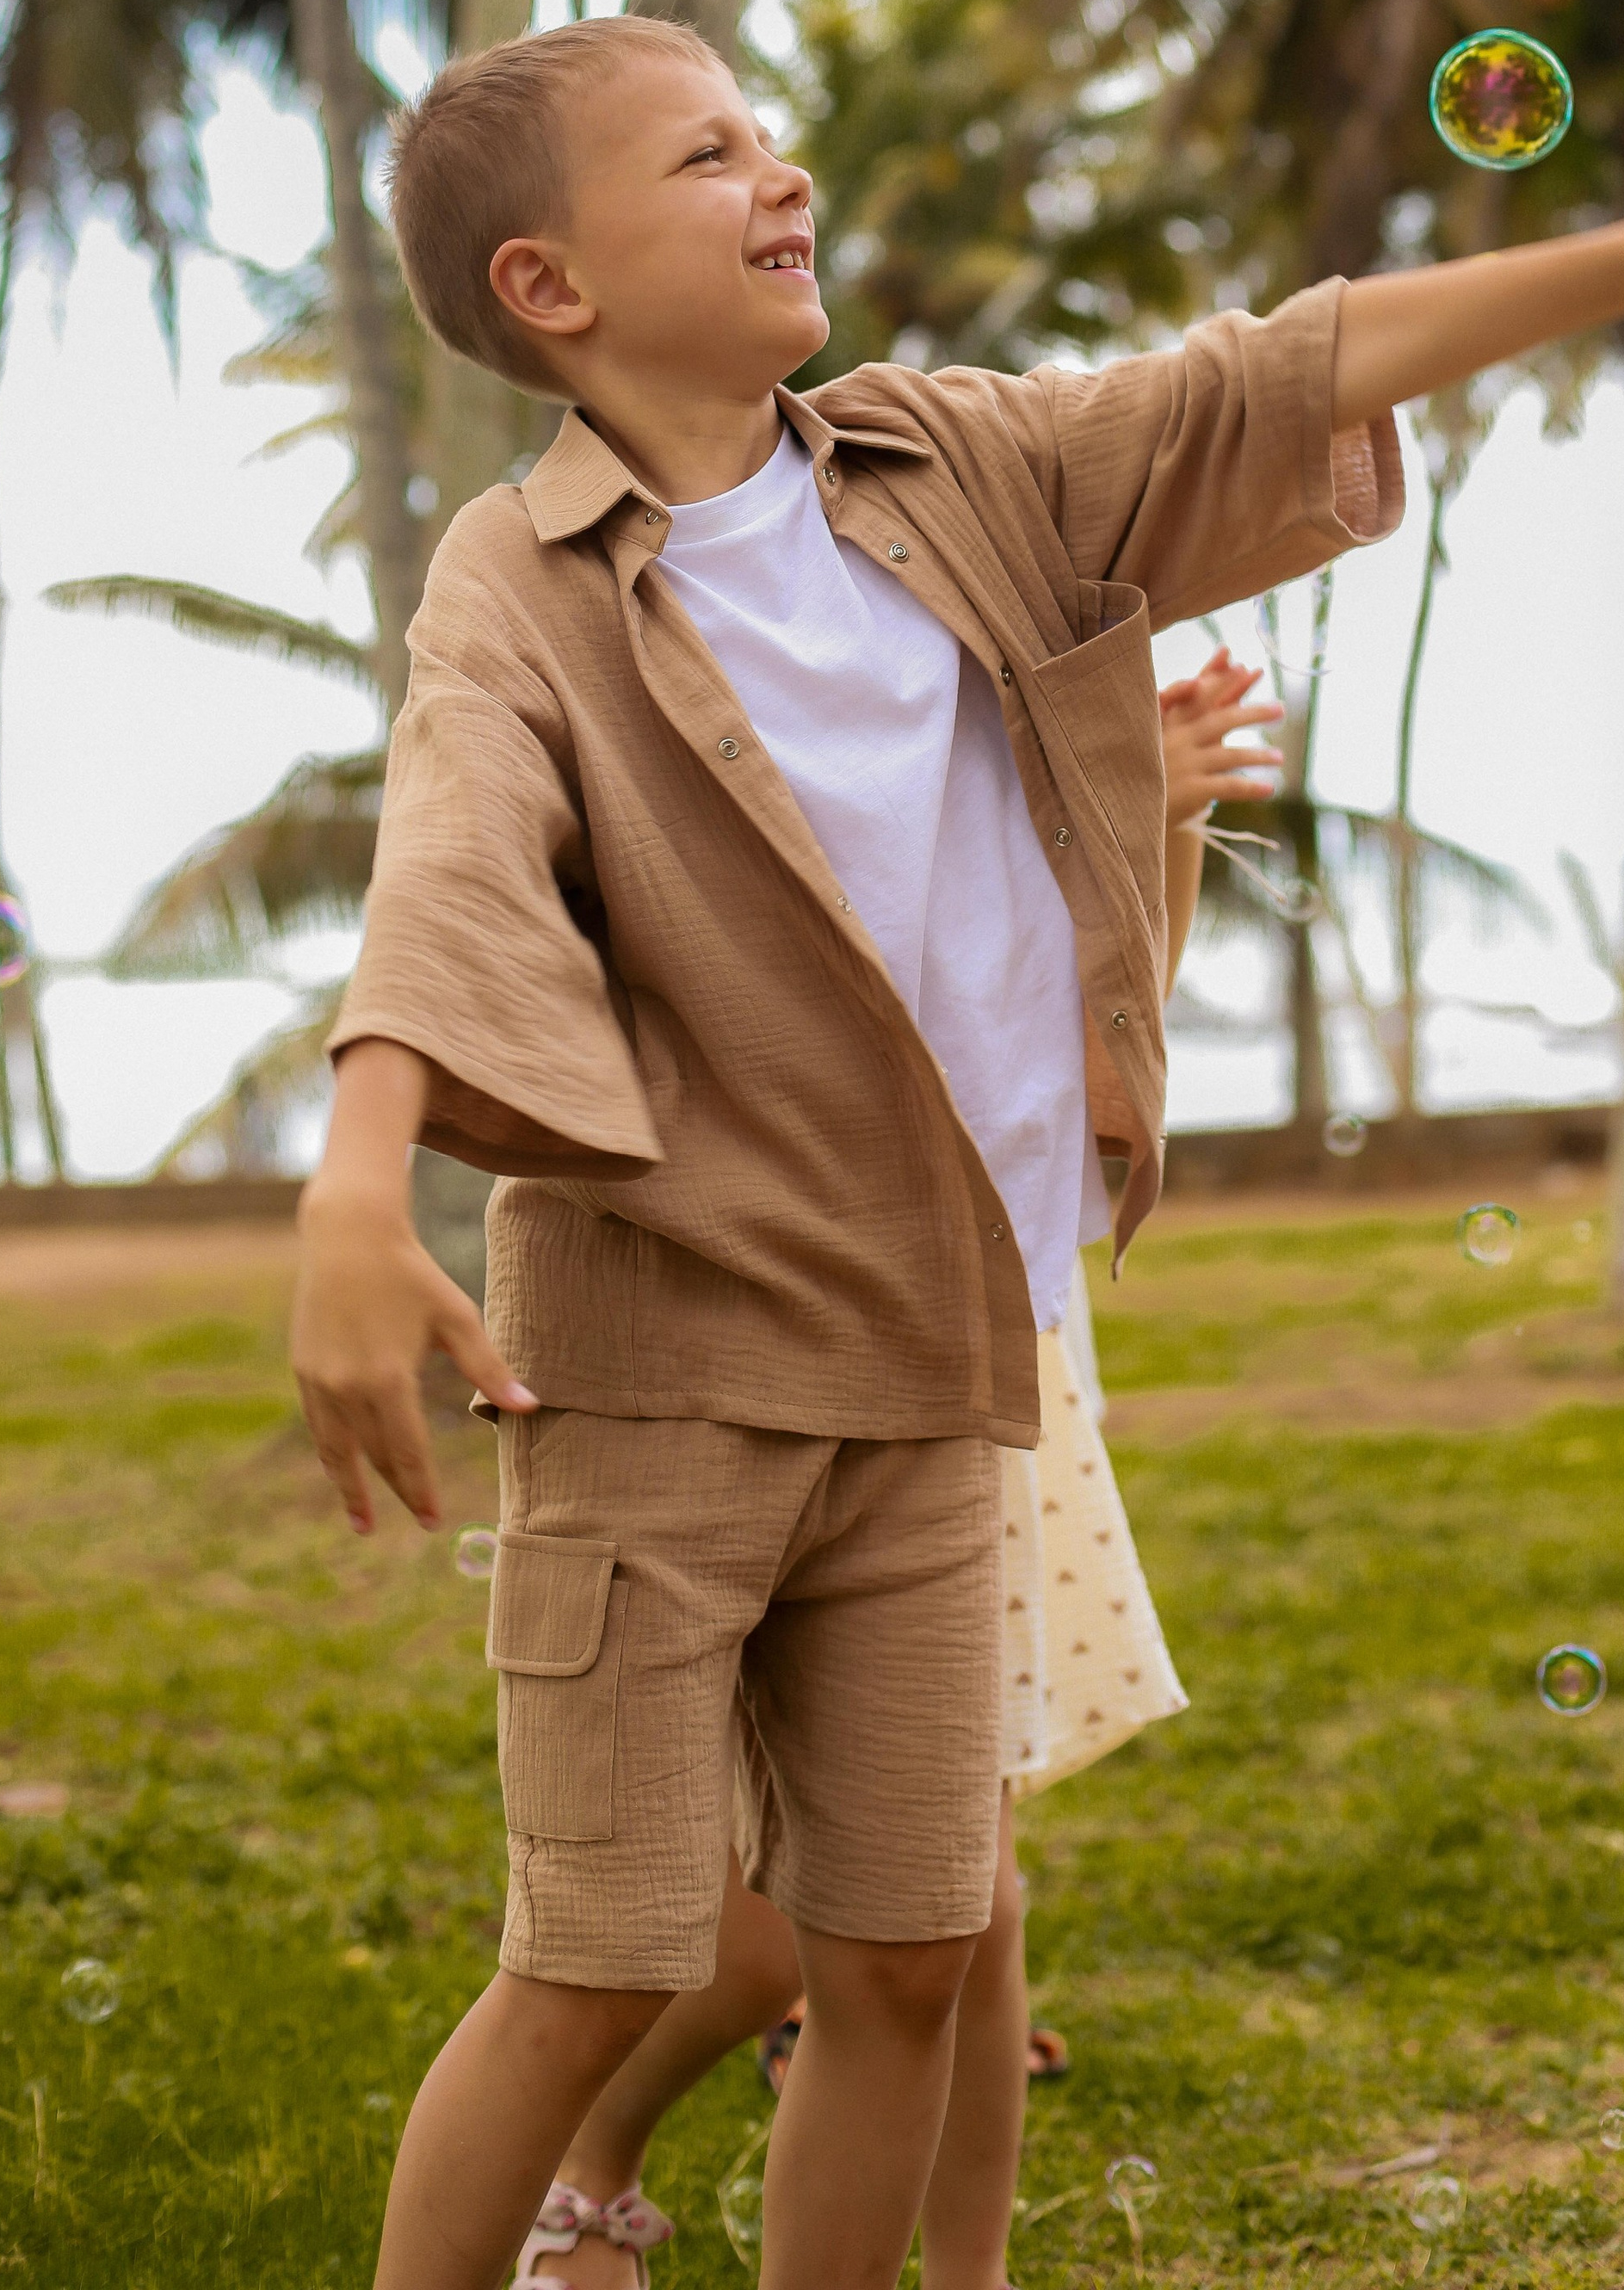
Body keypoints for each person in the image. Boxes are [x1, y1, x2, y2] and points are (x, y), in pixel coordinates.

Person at [287, 10, 1624, 2290]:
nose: (779, 176)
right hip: (664, 1375)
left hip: (946, 1361)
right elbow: (457, 857)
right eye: (705, 155)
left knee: (904, 1954)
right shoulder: (526, 578)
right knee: (599, 1955)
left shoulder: (961, 472)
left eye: (770, 134)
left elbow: (1284, 370)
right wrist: (357, 1183)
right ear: (549, 288)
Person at [503, 650, 1281, 2290]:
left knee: (968, 1900)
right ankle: (585, 2172)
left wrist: (1157, 814)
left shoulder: (993, 813)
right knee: (754, 1935)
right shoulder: (774, 840)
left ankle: (971, 2271)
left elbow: (1098, 1057)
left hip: (982, 1385)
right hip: (783, 1381)